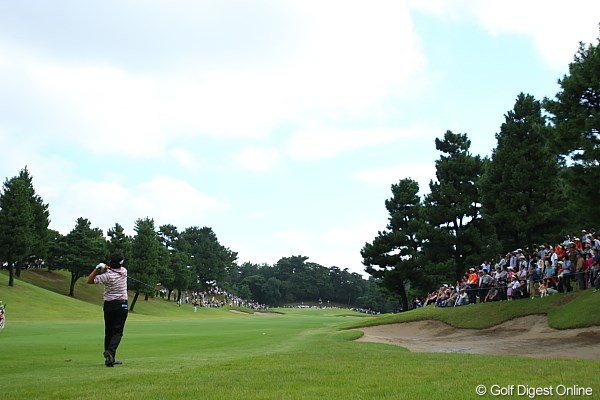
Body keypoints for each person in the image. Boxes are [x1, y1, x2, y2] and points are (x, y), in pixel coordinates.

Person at [87, 252, 128, 367]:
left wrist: (97, 268)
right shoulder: (124, 271)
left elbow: (89, 280)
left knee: (109, 331)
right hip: (122, 305)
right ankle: (110, 352)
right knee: (118, 332)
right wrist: (106, 268)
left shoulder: (106, 276)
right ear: (121, 263)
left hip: (109, 305)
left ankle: (110, 359)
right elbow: (113, 268)